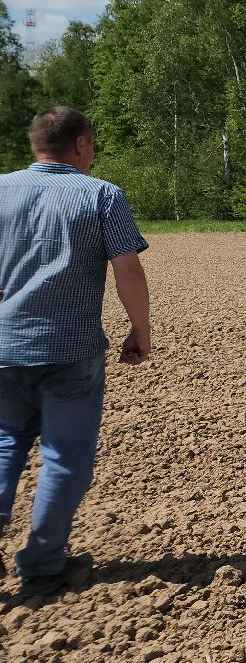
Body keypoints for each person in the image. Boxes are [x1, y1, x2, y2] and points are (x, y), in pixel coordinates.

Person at [0, 107, 151, 597]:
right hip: (69, 348)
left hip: (3, 346)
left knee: (4, 445)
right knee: (65, 456)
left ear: (35, 145)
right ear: (82, 144)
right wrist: (139, 329)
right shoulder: (101, 195)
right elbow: (128, 271)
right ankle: (43, 564)